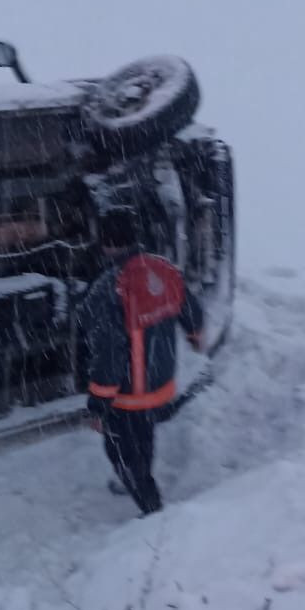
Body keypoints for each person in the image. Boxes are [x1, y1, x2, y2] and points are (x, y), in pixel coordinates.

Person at [78, 208, 205, 515]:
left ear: (106, 244)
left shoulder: (109, 289)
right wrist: (194, 337)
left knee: (120, 451)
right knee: (144, 437)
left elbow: (109, 354)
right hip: (160, 381)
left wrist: (98, 406)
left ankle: (153, 512)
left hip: (129, 392)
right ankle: (139, 483)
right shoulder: (163, 269)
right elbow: (192, 312)